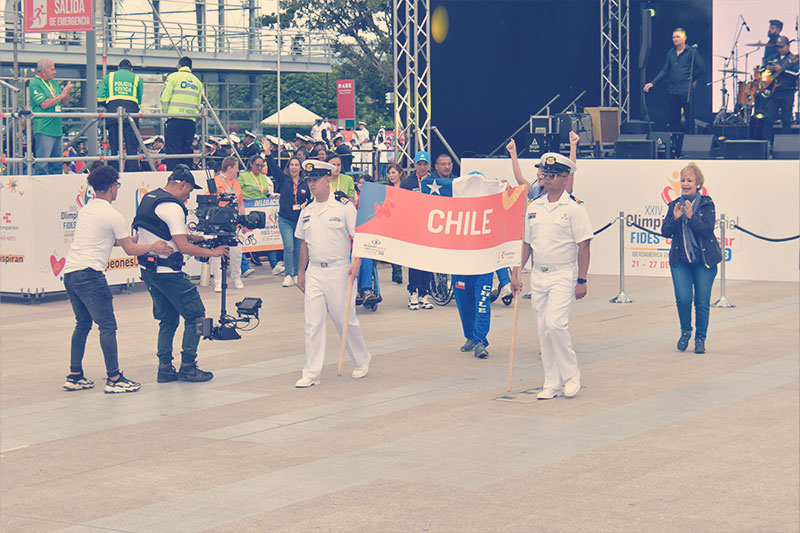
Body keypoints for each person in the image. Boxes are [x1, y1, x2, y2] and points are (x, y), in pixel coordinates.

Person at [62, 165, 173, 393]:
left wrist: (128, 241)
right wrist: (153, 246)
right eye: (117, 186)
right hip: (91, 275)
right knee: (107, 326)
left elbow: (110, 241)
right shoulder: (112, 214)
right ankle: (114, 378)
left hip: (71, 273)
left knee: (82, 324)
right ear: (113, 187)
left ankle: (75, 375)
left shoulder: (87, 209)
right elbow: (131, 250)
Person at [132, 164, 228, 383]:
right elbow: (183, 247)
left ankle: (164, 368)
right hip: (169, 272)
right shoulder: (173, 207)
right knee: (197, 316)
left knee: (168, 320)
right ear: (182, 184)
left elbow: (159, 231)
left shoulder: (150, 198)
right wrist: (213, 252)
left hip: (149, 271)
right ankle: (188, 366)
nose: (189, 196)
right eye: (189, 190)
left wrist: (193, 237)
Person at [510, 152, 592, 400]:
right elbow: (527, 244)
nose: (547, 178)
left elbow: (584, 245)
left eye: (553, 175)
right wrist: (516, 272)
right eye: (545, 174)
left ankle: (570, 375)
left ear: (566, 179)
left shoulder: (574, 207)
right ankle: (551, 381)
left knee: (556, 324)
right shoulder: (535, 207)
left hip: (563, 273)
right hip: (539, 274)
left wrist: (582, 280)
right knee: (543, 329)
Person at [294, 159, 371, 387]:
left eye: (315, 179)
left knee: (344, 319)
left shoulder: (343, 206)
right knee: (313, 322)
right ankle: (312, 372)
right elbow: (304, 244)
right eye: (309, 180)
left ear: (328, 180)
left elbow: (358, 236)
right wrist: (300, 273)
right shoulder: (307, 209)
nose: (311, 184)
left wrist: (356, 262)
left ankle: (361, 358)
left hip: (339, 269)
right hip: (315, 271)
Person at [660, 163, 722, 354]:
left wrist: (691, 217)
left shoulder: (706, 204)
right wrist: (676, 218)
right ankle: (686, 331)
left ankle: (700, 338)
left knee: (702, 302)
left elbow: (706, 230)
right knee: (683, 299)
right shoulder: (674, 205)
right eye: (683, 180)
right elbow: (665, 232)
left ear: (698, 184)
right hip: (681, 262)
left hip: (704, 262)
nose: (685, 184)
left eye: (689, 180)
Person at [265, 144, 312, 287]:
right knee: (289, 247)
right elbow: (273, 167)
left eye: (296, 165)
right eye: (291, 164)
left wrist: (305, 206)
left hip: (300, 220)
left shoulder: (306, 182)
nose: (293, 167)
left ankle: (298, 274)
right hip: (285, 219)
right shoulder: (283, 179)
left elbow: (310, 199)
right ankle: (288, 275)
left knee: (299, 249)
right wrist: (267, 152)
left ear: (301, 168)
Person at [644, 28, 706, 132]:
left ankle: (690, 142)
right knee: (674, 120)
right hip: (673, 90)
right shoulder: (671, 53)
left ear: (684, 38)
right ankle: (675, 144)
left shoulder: (691, 51)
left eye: (678, 37)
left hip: (686, 91)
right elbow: (665, 70)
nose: (675, 39)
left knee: (689, 119)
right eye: (673, 37)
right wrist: (653, 83)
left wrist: (690, 78)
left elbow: (701, 69)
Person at [400, 150, 435, 310]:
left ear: (429, 165)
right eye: (419, 164)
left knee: (427, 262)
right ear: (414, 165)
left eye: (425, 164)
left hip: (430, 227)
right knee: (414, 261)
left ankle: (424, 293)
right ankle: (412, 292)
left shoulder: (435, 181)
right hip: (413, 227)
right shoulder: (407, 182)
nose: (422, 167)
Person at [238, 154, 283, 277]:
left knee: (266, 238)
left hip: (262, 212)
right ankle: (244, 268)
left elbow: (267, 194)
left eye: (261, 165)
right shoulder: (243, 177)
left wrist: (274, 196)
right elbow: (237, 191)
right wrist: (242, 197)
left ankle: (274, 266)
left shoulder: (264, 178)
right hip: (247, 210)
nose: (259, 167)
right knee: (243, 238)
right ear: (251, 164)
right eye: (257, 165)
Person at [97, 59, 143, 172]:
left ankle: (114, 171)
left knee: (115, 147)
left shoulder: (109, 76)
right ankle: (132, 171)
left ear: (118, 68)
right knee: (131, 147)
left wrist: (109, 104)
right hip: (131, 114)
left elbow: (100, 97)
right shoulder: (137, 78)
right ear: (131, 70)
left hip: (113, 114)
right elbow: (139, 102)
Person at [209, 156, 246, 292]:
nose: (238, 171)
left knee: (236, 252)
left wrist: (243, 221)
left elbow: (240, 204)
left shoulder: (236, 184)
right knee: (217, 253)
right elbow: (209, 202)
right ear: (229, 168)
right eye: (236, 168)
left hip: (234, 223)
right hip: (219, 223)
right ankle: (218, 281)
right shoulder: (215, 181)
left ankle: (237, 277)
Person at [30, 58, 72, 175]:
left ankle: (55, 189)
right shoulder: (35, 83)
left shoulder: (53, 82)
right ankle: (41, 191)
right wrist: (61, 95)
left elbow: (64, 102)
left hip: (57, 129)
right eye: (52, 69)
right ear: (43, 71)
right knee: (42, 164)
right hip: (44, 129)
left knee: (57, 163)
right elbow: (44, 104)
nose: (55, 72)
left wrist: (66, 93)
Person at [161, 57, 203, 170]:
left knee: (173, 152)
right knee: (187, 151)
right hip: (190, 121)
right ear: (191, 68)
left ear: (178, 66)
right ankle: (186, 175)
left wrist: (166, 115)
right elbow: (198, 104)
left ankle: (175, 177)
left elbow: (164, 99)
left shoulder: (173, 77)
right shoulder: (198, 82)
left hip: (174, 119)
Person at [762, 36, 798, 145]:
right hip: (774, 92)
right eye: (778, 47)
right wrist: (767, 69)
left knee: (786, 119)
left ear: (788, 46)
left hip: (787, 92)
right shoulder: (773, 57)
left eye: (782, 47)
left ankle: (785, 145)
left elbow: (796, 74)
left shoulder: (793, 58)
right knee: (769, 118)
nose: (780, 49)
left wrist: (782, 69)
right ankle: (767, 144)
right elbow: (763, 70)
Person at [386, 163, 405, 284]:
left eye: (393, 172)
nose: (391, 175)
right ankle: (396, 271)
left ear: (400, 173)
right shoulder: (387, 189)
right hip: (392, 219)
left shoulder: (406, 186)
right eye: (389, 173)